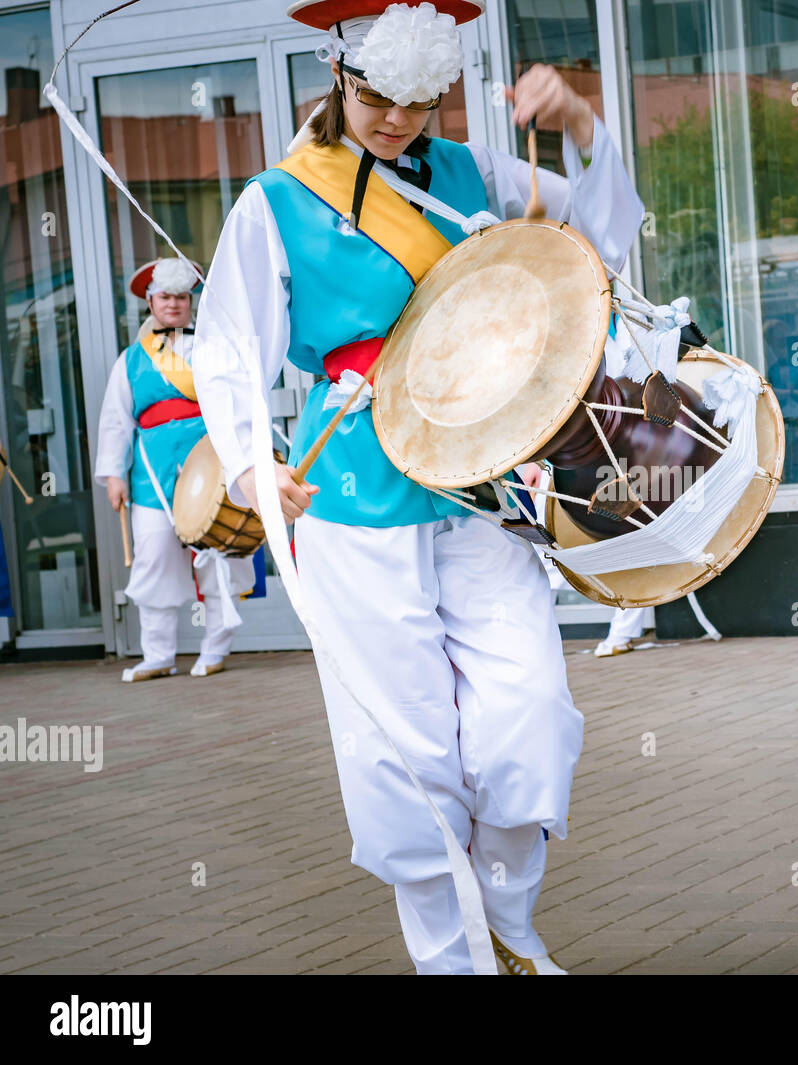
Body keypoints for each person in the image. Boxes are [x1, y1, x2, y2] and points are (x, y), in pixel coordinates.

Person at [193, 0, 641, 975]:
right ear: (337, 77)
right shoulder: (278, 199)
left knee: (529, 715)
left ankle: (510, 926)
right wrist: (250, 461)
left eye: (419, 100)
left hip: (483, 470)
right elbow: (227, 347)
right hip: (353, 487)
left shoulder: (474, 173)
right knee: (406, 748)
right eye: (375, 97)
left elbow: (602, 236)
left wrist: (580, 126)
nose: (396, 118)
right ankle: (458, 960)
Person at [94, 258, 255, 681]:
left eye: (181, 296)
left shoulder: (213, 348)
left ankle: (216, 647)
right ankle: (158, 655)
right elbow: (116, 419)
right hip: (150, 472)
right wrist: (114, 474)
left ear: (190, 300)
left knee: (216, 554)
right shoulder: (129, 360)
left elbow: (238, 405)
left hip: (210, 462)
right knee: (153, 559)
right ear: (150, 301)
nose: (173, 304)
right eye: (165, 297)